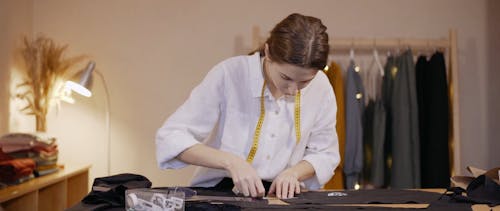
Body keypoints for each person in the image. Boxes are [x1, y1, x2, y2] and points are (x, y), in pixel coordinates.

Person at [156, 13, 339, 199]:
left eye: (304, 82)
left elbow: (325, 153)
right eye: (286, 78)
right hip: (221, 193)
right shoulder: (229, 75)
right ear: (268, 53)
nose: (293, 91)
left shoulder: (321, 87)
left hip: (285, 196)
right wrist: (231, 162)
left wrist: (294, 173)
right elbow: (171, 138)